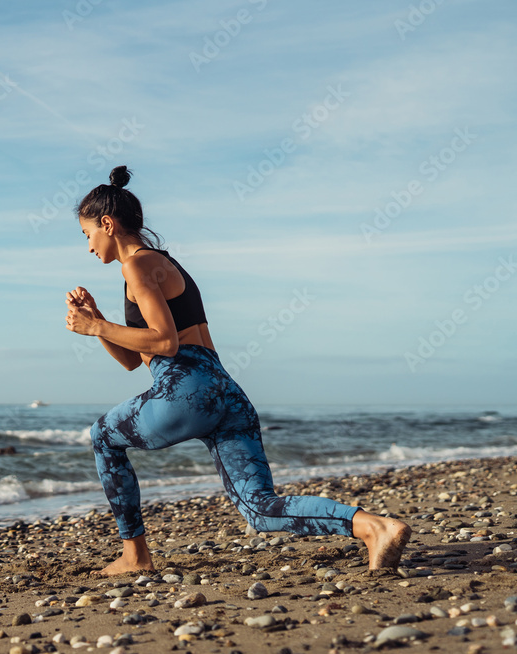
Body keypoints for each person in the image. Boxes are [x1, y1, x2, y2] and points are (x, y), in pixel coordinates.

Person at [64, 165, 411, 576]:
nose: (89, 246)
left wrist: (97, 326)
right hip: (224, 392)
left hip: (186, 389)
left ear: (107, 223)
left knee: (103, 435)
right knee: (259, 510)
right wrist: (98, 322)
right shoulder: (159, 266)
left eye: (88, 234)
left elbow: (165, 343)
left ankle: (135, 556)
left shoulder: (137, 267)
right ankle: (374, 527)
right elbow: (130, 359)